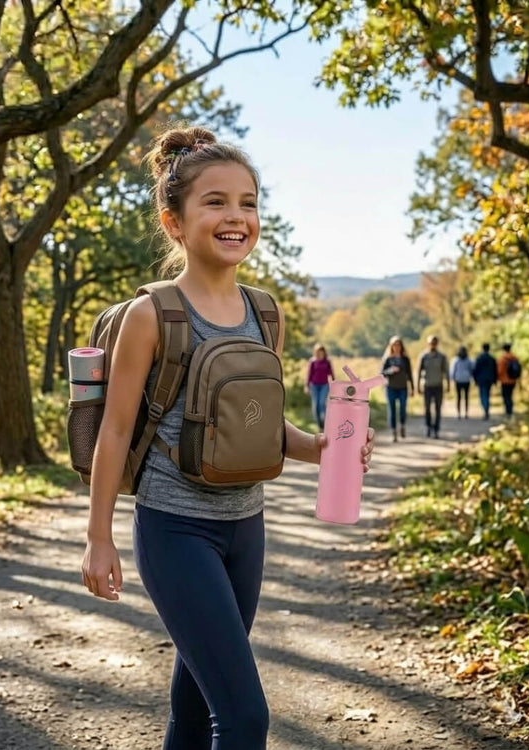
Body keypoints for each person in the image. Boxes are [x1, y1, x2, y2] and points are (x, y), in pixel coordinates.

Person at [80, 126, 375, 750]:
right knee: (244, 718)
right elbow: (114, 429)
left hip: (248, 527)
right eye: (214, 202)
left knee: (194, 713)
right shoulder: (152, 314)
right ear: (174, 222)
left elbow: (262, 426)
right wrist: (98, 537)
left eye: (248, 201)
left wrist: (324, 448)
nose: (236, 215)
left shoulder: (265, 311)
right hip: (174, 529)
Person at [381, 335, 414, 442]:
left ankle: (402, 426)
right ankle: (394, 432)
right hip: (390, 388)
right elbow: (382, 373)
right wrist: (390, 370)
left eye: (398, 345)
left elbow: (410, 374)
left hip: (403, 387)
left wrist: (412, 387)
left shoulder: (405, 359)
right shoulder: (387, 358)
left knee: (403, 409)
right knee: (392, 410)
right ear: (391, 346)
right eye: (394, 345)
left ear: (401, 346)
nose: (397, 347)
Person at [417, 334, 449, 438]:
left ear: (437, 344)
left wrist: (448, 384)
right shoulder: (424, 356)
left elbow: (446, 371)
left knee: (438, 409)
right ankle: (428, 427)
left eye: (435, 343)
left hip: (438, 386)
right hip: (427, 386)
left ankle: (436, 429)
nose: (433, 345)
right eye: (431, 343)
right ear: (428, 344)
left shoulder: (442, 357)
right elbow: (418, 371)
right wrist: (417, 386)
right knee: (427, 408)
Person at [305, 344, 334, 428]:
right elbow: (309, 374)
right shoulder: (313, 362)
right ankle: (319, 424)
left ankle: (325, 421)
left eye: (321, 353)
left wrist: (334, 385)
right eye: (318, 353)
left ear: (324, 353)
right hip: (314, 386)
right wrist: (307, 386)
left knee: (322, 403)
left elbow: (331, 374)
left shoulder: (327, 362)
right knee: (316, 405)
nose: (320, 354)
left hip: (324, 385)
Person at [473, 343, 498, 420]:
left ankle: (485, 409)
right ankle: (486, 409)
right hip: (489, 379)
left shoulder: (479, 358)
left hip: (481, 379)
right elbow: (495, 370)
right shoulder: (492, 358)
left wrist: (475, 379)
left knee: (483, 395)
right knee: (487, 394)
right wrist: (495, 379)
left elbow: (476, 369)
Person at [450, 345, 474, 419]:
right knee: (466, 397)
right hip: (466, 379)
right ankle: (466, 413)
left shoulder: (455, 360)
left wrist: (452, 378)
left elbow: (453, 370)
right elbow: (472, 369)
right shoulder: (469, 360)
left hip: (458, 379)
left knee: (458, 397)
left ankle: (459, 413)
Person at [497, 342, 521, 417]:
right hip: (513, 380)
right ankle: (510, 409)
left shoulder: (502, 359)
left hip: (504, 381)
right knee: (510, 395)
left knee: (506, 396)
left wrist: (498, 378)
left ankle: (508, 411)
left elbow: (500, 371)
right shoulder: (515, 357)